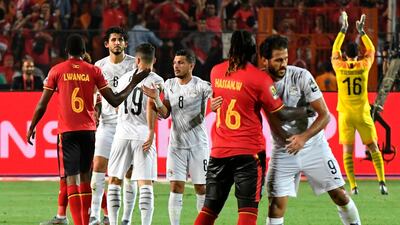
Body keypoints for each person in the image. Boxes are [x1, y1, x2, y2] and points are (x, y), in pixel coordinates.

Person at [26, 33, 149, 225]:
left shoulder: (56, 70)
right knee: (86, 177)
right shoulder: (94, 71)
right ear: (84, 52)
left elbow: (42, 104)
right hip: (89, 131)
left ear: (67, 52)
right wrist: (133, 82)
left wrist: (32, 126)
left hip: (67, 131)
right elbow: (114, 100)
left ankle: (78, 222)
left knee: (71, 180)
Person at [193, 30, 308, 225]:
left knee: (209, 210)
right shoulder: (259, 79)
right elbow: (281, 112)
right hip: (248, 155)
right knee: (247, 213)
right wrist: (304, 111)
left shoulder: (216, 71)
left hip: (219, 152)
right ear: (252, 50)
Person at [258, 34, 361, 225]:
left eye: (286, 58)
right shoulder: (259, 81)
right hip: (283, 150)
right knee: (275, 205)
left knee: (340, 195)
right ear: (265, 60)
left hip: (314, 146)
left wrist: (303, 138)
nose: (284, 64)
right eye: (278, 60)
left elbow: (325, 115)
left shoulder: (301, 76)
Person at [141, 49, 212, 225]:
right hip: (176, 146)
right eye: (174, 63)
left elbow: (218, 95)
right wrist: (157, 99)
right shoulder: (169, 84)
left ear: (191, 65)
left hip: (198, 146)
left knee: (201, 188)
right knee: (175, 186)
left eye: (180, 63)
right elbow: (165, 114)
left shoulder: (201, 85)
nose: (176, 66)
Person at [331, 12, 388, 195]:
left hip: (346, 114)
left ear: (345, 55)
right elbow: (371, 50)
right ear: (358, 54)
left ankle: (354, 186)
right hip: (362, 113)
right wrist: (362, 32)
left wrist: (343, 29)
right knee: (373, 147)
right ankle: (382, 183)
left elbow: (334, 50)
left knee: (347, 151)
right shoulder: (364, 66)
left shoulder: (339, 66)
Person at [107, 43, 163, 225]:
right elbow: (154, 107)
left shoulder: (124, 79)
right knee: (145, 183)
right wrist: (152, 131)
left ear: (137, 60)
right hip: (143, 135)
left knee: (115, 179)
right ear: (154, 60)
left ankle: (115, 222)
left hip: (121, 134)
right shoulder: (157, 81)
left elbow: (116, 107)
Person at [89, 26, 139, 225]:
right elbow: (94, 94)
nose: (117, 43)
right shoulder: (99, 66)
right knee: (98, 168)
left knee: (127, 173)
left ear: (125, 43)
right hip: (107, 125)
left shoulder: (133, 65)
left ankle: (124, 219)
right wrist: (95, 110)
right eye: (114, 40)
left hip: (128, 126)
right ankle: (94, 215)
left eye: (120, 40)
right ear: (106, 44)